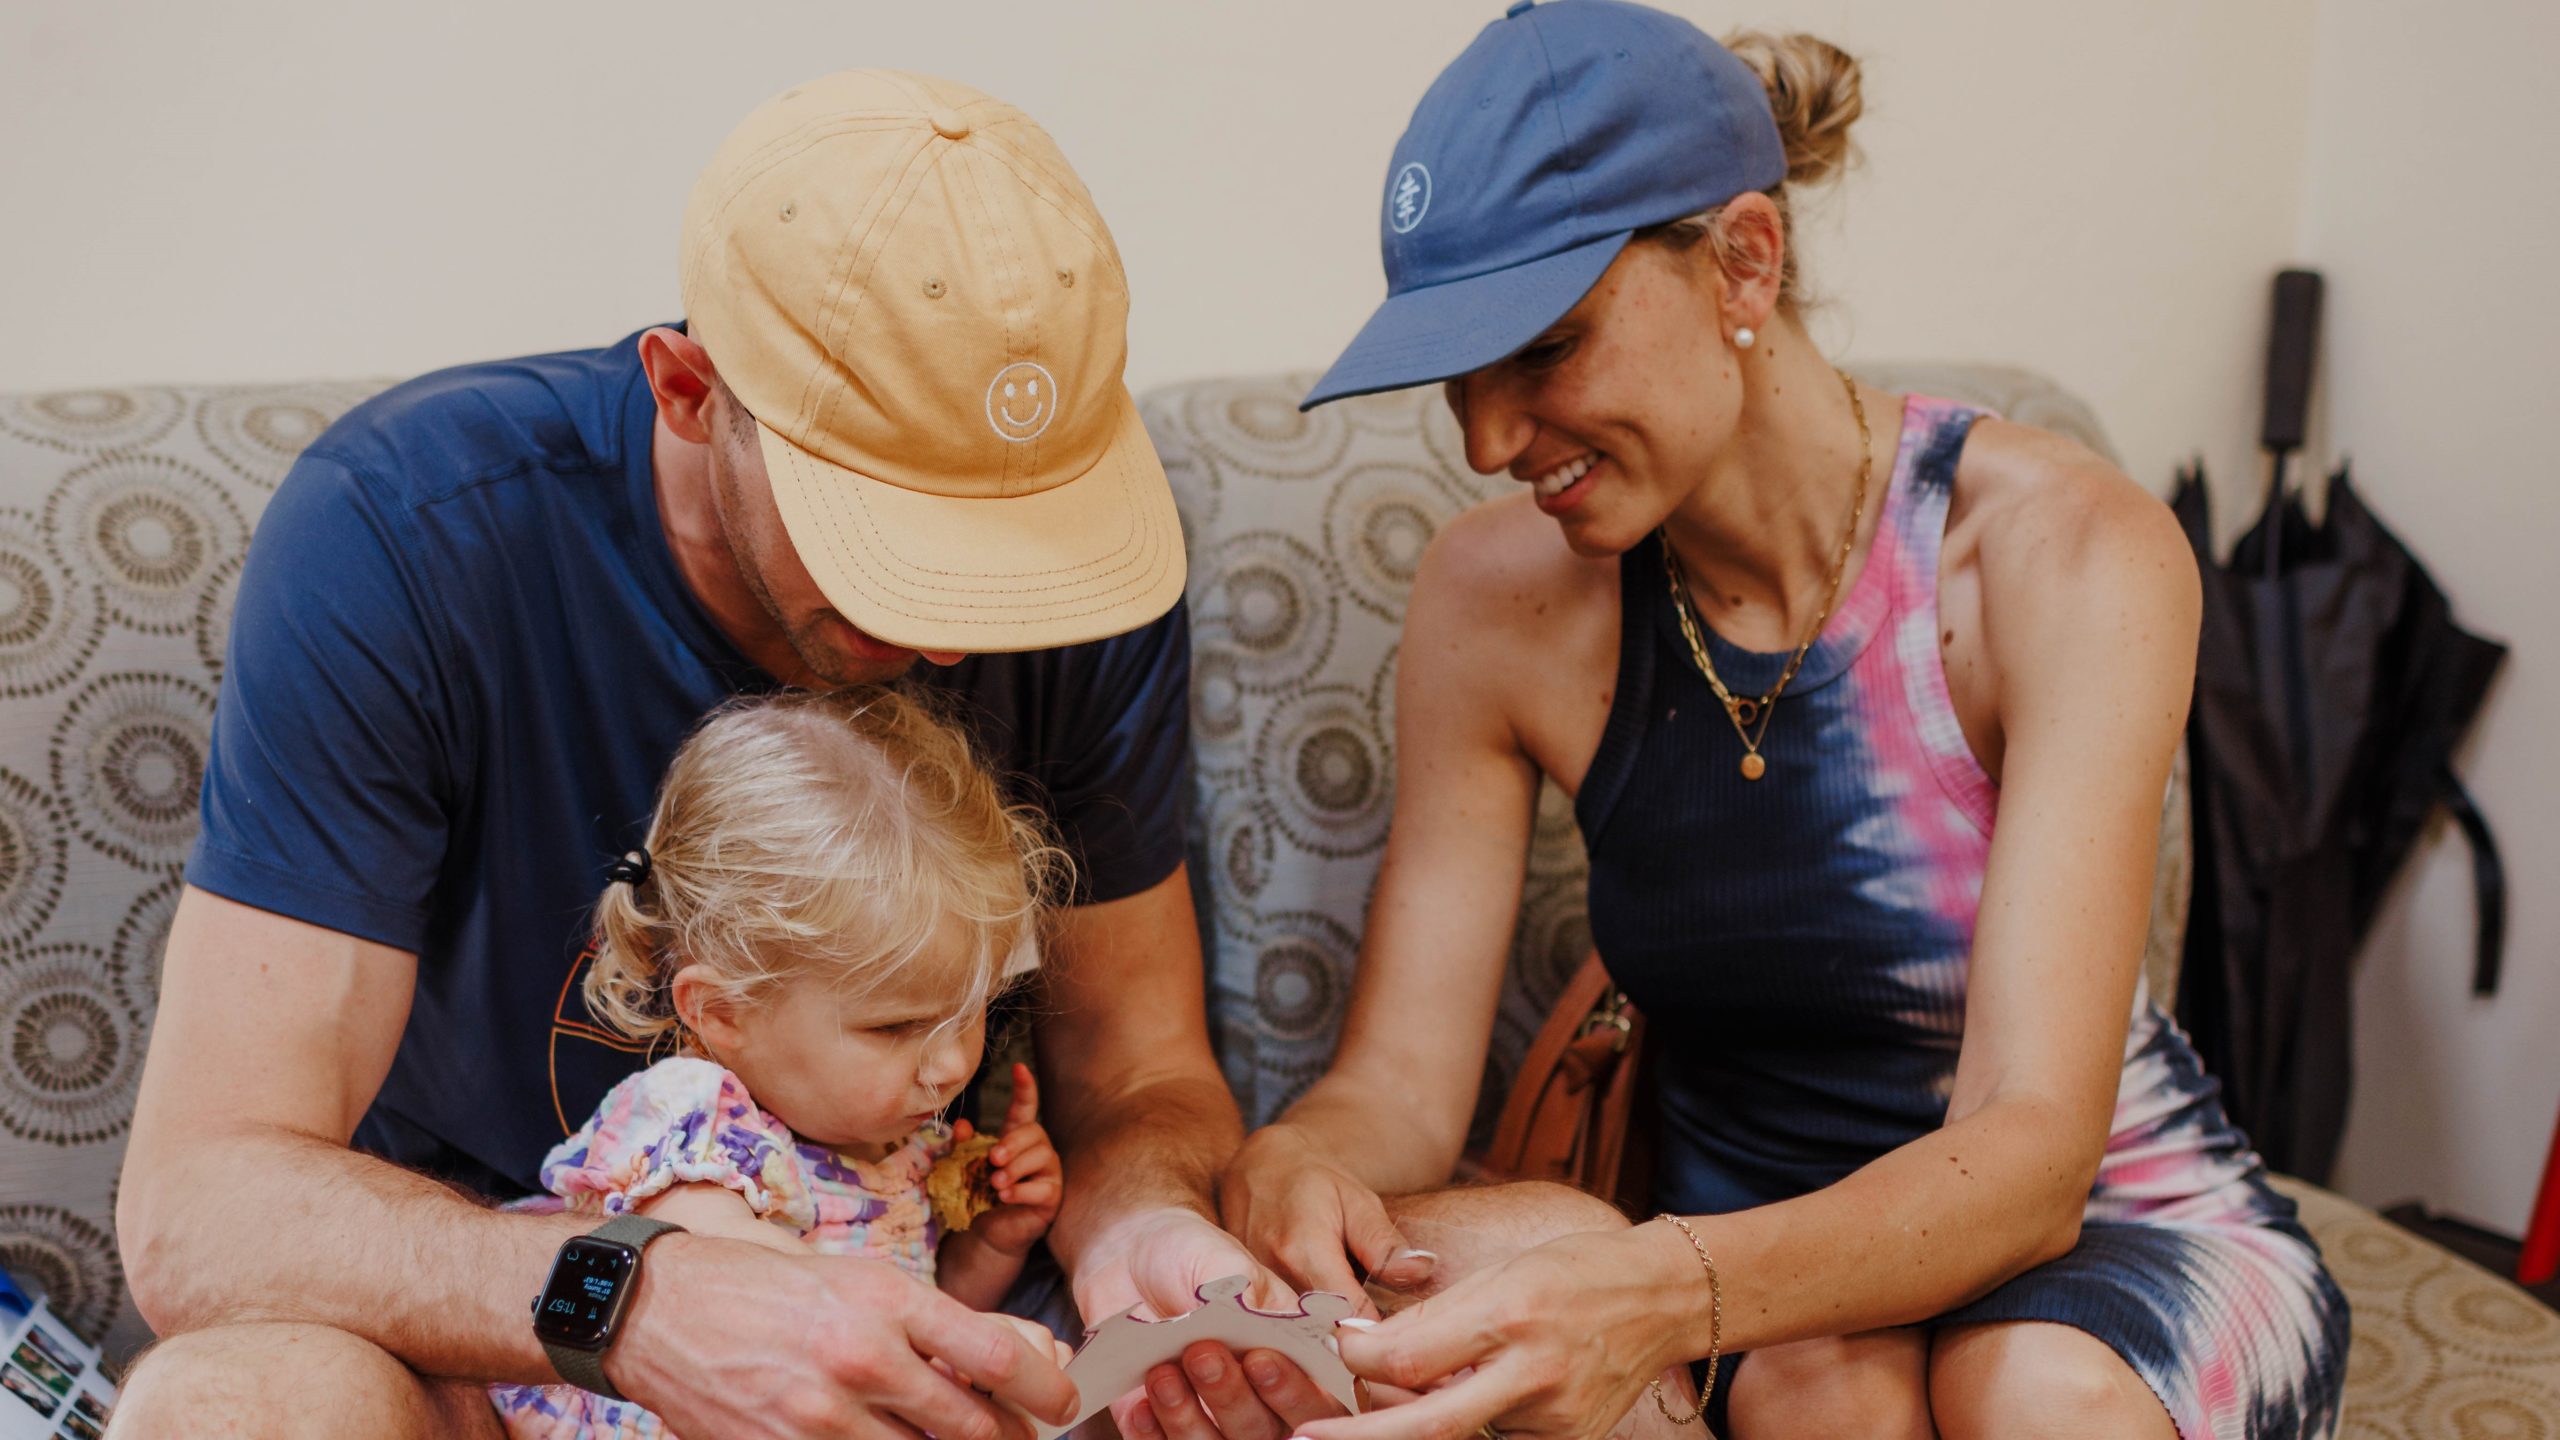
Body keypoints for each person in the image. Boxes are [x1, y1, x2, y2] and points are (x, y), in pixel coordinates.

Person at [1200, 5, 2352, 1440]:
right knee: (1821, 1400)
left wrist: (1646, 1293)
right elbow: (1401, 1086)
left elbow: (2032, 1155)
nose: (1489, 441)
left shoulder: (2061, 555)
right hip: (1760, 1259)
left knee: (2032, 1392)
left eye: (1545, 348)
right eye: (1457, 375)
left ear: (1747, 258)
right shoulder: (1495, 602)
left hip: (2107, 1226)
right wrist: (1301, 1159)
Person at [113, 70, 1268, 1440]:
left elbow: (1141, 1071)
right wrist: (643, 1299)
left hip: (936, 1339)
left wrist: (1140, 1226)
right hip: (507, 1342)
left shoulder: (1079, 593)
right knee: (234, 1406)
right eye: (889, 533)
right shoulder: (409, 535)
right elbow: (204, 1209)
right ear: (688, 390)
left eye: (1008, 541)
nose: (962, 631)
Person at [488, 687, 1075, 1438]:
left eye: (976, 1011)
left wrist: (994, 1240)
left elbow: (921, 1282)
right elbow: (734, 1269)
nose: (953, 1063)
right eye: (896, 1027)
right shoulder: (696, 1120)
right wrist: (956, 1359)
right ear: (724, 1013)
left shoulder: (901, 1149)